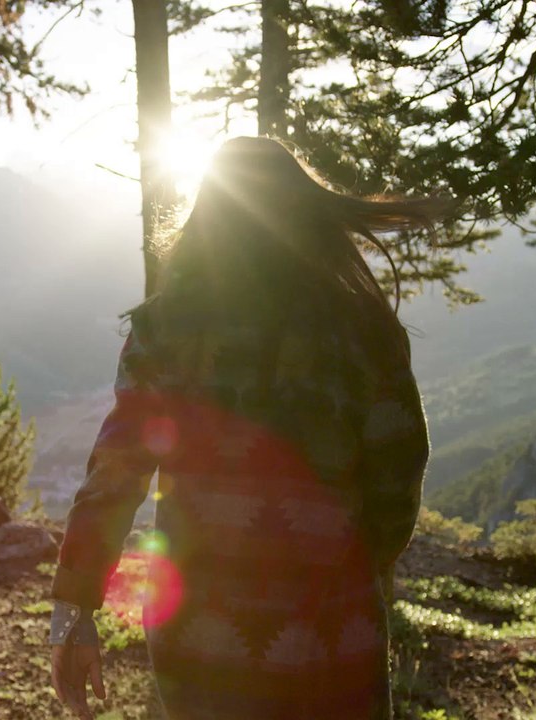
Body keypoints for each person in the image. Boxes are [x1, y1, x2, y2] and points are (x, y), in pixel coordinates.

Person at [49, 137, 441, 719]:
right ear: (307, 217)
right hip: (335, 636)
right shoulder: (365, 334)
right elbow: (398, 478)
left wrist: (75, 612)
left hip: (200, 645)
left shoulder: (166, 331)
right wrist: (359, 561)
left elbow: (115, 476)